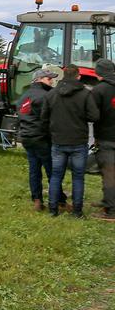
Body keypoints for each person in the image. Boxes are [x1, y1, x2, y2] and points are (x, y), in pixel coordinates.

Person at [41, 64, 100, 217]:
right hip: (78, 142)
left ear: (62, 76)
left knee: (55, 176)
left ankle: (53, 210)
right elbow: (94, 116)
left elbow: (43, 118)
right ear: (78, 76)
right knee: (78, 178)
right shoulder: (85, 94)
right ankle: (77, 211)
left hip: (58, 141)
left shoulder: (51, 94)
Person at [17, 64, 61, 211]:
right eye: (49, 79)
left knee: (34, 170)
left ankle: (37, 200)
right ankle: (59, 201)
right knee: (52, 171)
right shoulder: (46, 96)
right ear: (39, 79)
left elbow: (21, 116)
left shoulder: (23, 96)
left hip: (26, 138)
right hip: (42, 139)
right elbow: (49, 119)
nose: (52, 82)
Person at [89, 59, 115, 221]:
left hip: (107, 138)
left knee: (109, 174)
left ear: (98, 72)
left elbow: (92, 115)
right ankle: (107, 201)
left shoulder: (99, 90)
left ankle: (111, 212)